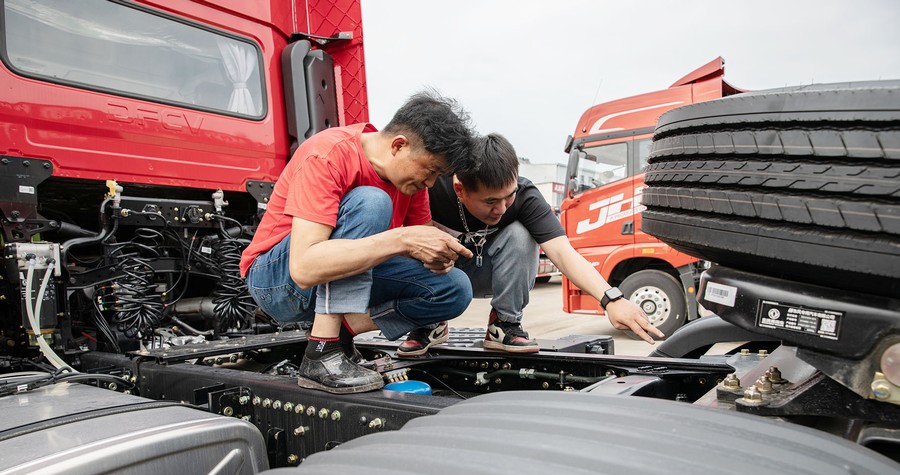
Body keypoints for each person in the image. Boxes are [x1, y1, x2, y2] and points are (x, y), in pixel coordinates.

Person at [240, 91, 475, 394]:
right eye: (430, 172)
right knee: (371, 203)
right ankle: (322, 353)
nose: (430, 184)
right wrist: (402, 238)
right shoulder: (328, 154)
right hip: (277, 282)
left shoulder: (410, 182)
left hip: (338, 279)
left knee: (453, 288)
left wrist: (436, 253)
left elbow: (417, 240)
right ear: (398, 145)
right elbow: (304, 266)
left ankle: (341, 337)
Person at [397, 133, 663, 356]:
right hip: (446, 275)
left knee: (521, 233)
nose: (501, 208)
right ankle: (430, 322)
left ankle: (504, 324)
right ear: (460, 189)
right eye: (490, 201)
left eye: (508, 196)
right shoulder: (432, 189)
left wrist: (611, 299)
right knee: (419, 235)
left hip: (492, 273)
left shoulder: (526, 197)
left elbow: (562, 251)